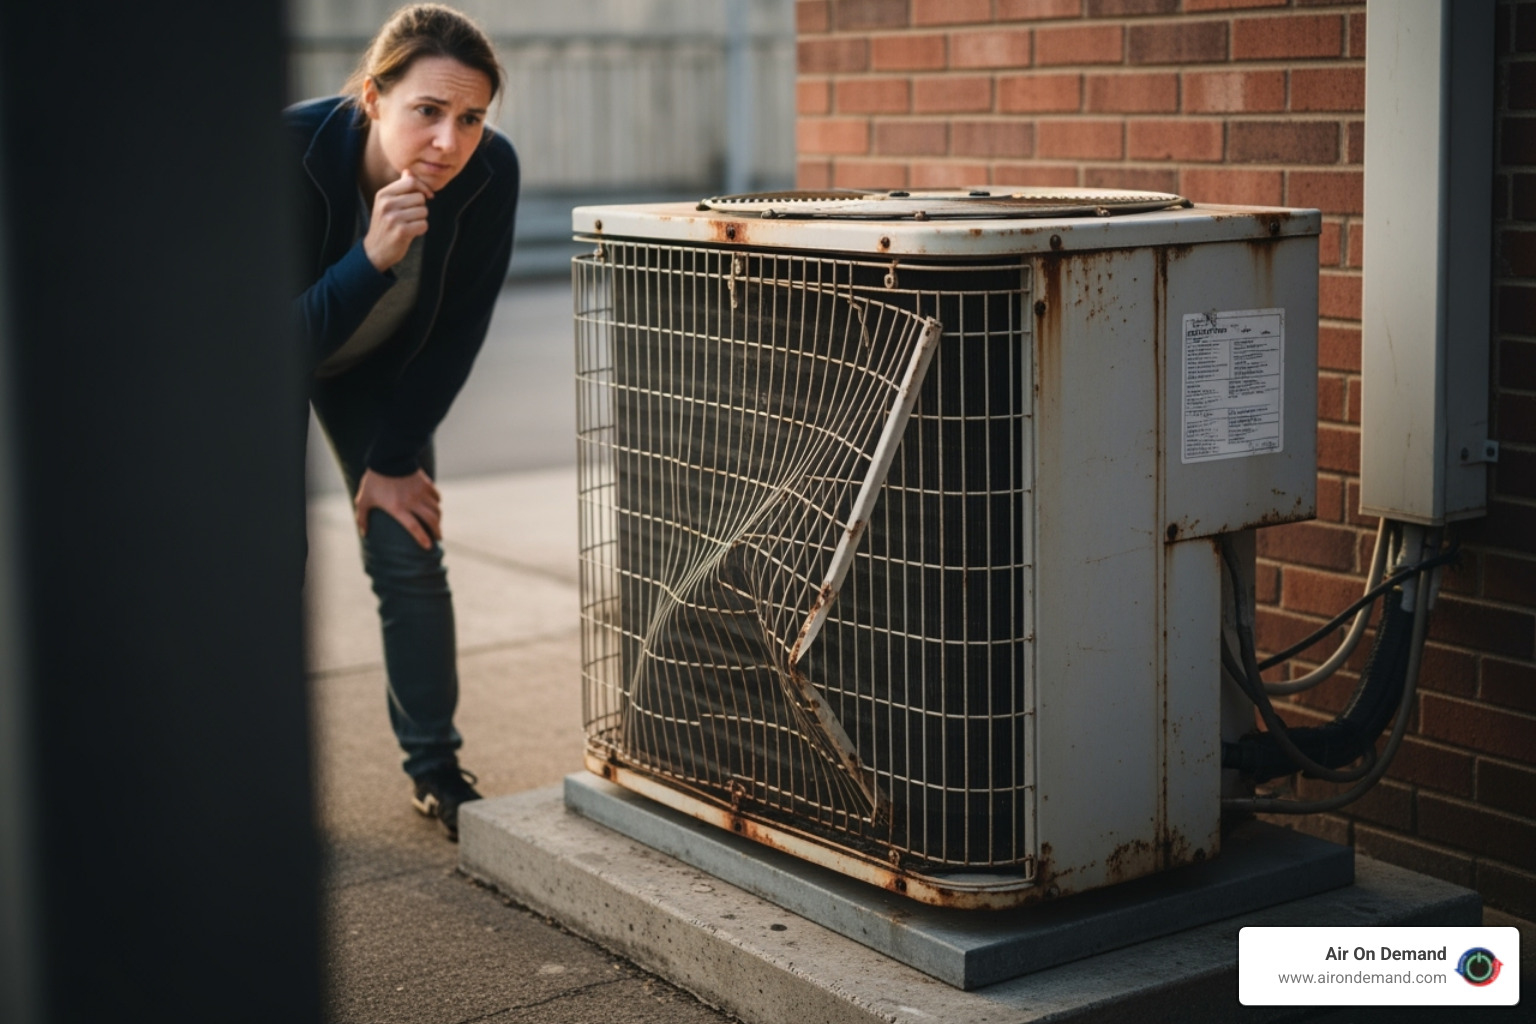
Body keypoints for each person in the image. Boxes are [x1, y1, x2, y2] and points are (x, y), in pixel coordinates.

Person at [287, 3, 519, 840]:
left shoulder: (488, 173)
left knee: (407, 544)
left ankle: (436, 771)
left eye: (471, 117)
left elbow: (458, 331)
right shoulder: (285, 154)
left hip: (378, 373)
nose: (450, 142)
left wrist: (390, 460)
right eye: (428, 110)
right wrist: (370, 260)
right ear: (372, 98)